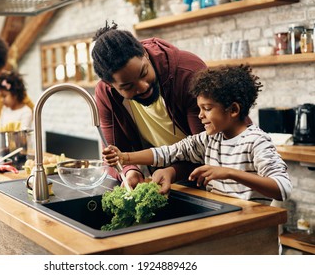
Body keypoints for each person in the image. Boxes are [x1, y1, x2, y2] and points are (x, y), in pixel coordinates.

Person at [103, 65, 292, 204]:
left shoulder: (256, 141)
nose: (200, 115)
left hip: (252, 228)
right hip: (221, 221)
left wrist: (230, 173)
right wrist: (124, 157)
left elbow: (282, 188)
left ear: (233, 109)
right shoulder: (209, 139)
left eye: (207, 109)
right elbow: (168, 153)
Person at [92, 21, 207, 189]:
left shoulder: (187, 73)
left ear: (145, 54)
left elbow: (211, 147)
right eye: (128, 86)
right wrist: (131, 171)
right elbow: (114, 155)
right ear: (111, 86)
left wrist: (173, 171)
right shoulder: (106, 94)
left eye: (143, 73)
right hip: (168, 180)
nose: (143, 86)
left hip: (217, 179)